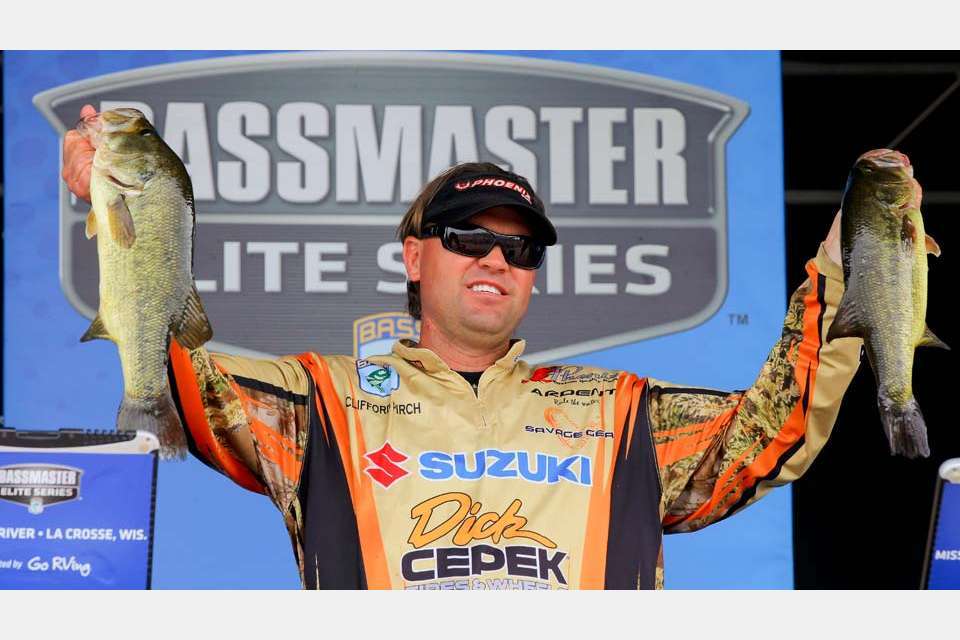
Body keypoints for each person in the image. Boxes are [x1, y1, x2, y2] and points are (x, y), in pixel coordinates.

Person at [62, 105, 859, 590]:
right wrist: (123, 203)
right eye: (468, 237)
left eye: (519, 248)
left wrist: (850, 261)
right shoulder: (323, 402)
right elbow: (184, 381)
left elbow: (773, 428)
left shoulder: (621, 412)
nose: (495, 259)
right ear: (415, 257)